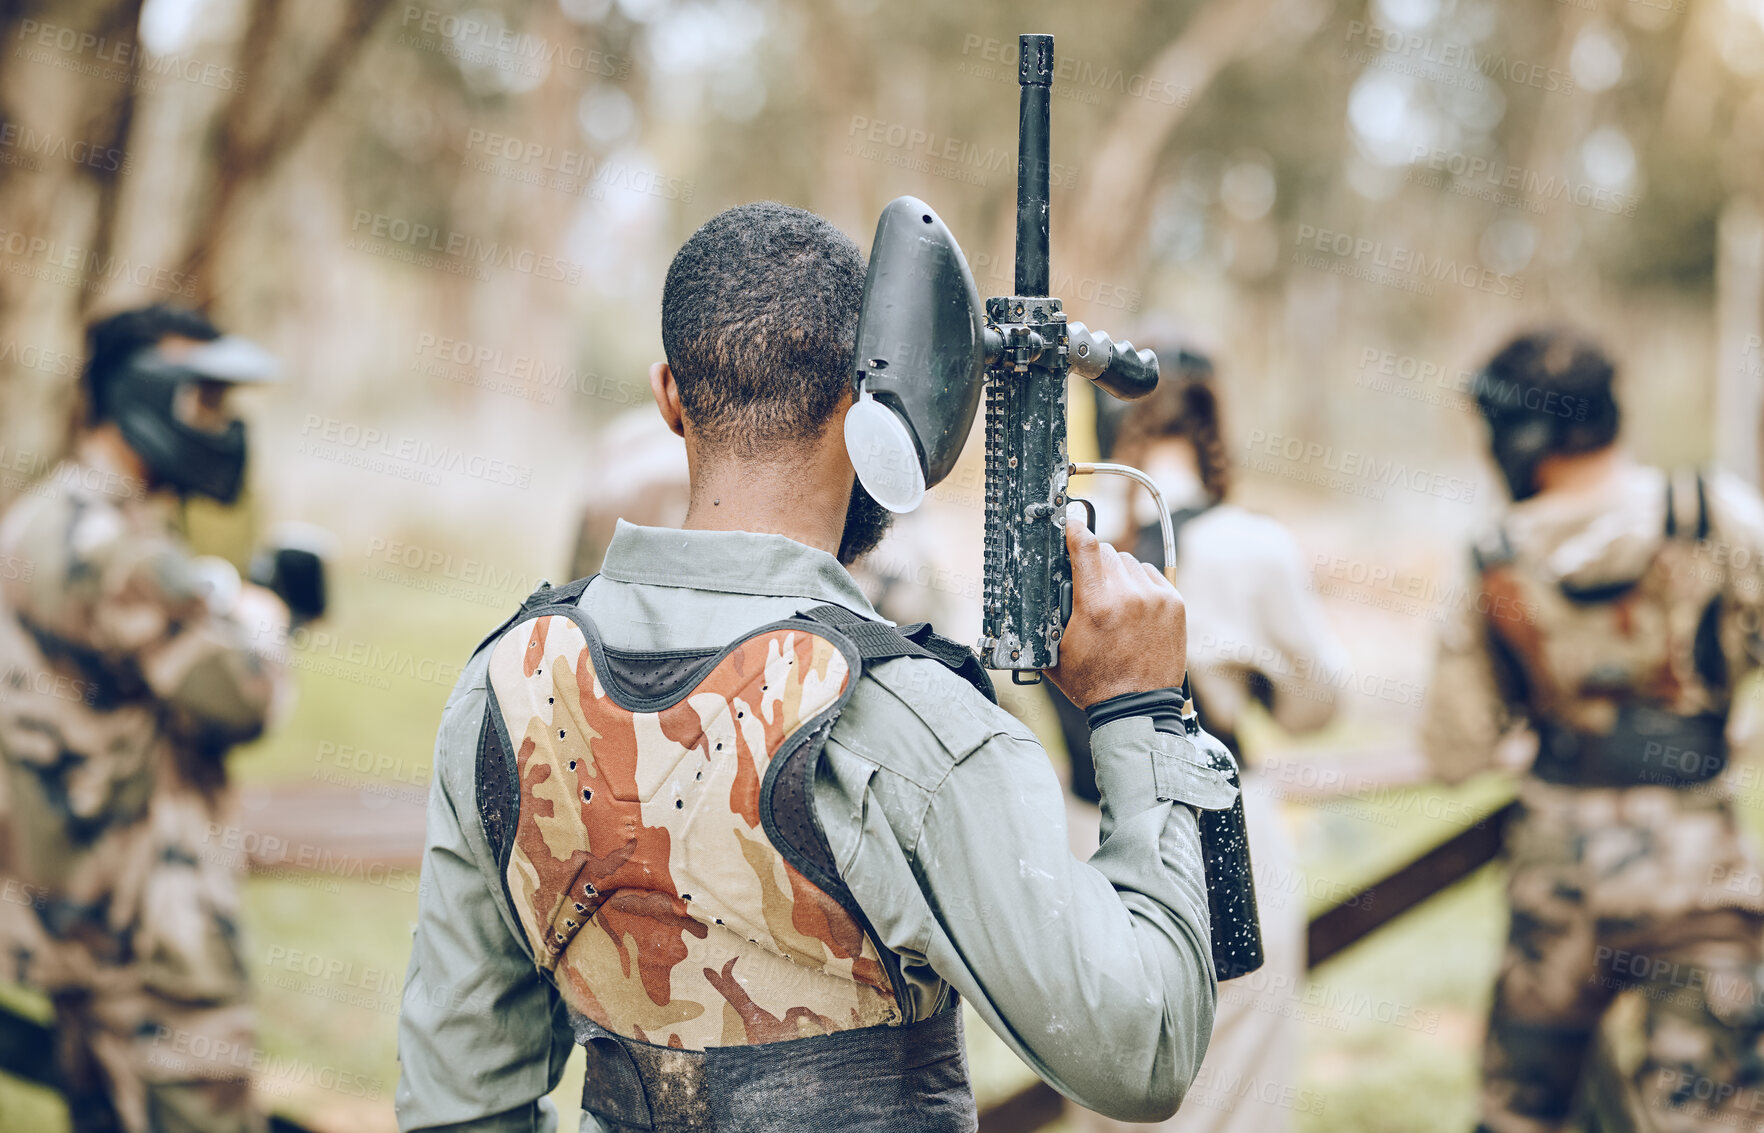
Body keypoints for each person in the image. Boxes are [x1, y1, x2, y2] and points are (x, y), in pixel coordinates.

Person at [395, 201, 1239, 1132]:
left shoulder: (505, 685)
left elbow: (458, 1100)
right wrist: (1137, 709)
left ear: (669, 395)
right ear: (869, 400)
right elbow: (1145, 1049)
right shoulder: (909, 724)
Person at [1422, 327, 1764, 1132]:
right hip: (1699, 883)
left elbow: (1453, 747)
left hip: (1557, 900)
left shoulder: (1492, 553)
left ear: (1520, 438)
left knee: (1522, 1112)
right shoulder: (1716, 512)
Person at [0, 304, 292, 1133]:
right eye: (204, 398)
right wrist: (262, 622)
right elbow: (243, 698)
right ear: (142, 395)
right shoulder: (117, 550)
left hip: (72, 924)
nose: (221, 423)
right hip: (156, 938)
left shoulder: (41, 518)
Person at [1052, 347, 1347, 1133]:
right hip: (1224, 842)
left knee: (1112, 1086)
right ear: (1213, 422)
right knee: (1233, 1095)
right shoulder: (1250, 544)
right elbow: (1318, 706)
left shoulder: (1060, 549)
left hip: (1088, 843)